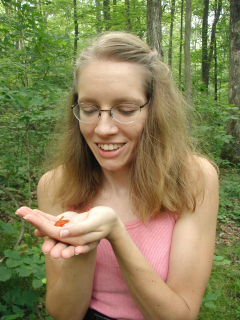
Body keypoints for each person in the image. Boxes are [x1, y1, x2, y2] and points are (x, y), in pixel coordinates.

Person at [16, 31, 219, 320]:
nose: (103, 129)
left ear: (155, 109)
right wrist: (82, 243)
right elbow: (64, 314)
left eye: (125, 110)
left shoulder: (194, 178)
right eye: (89, 109)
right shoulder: (56, 185)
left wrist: (116, 234)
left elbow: (180, 315)